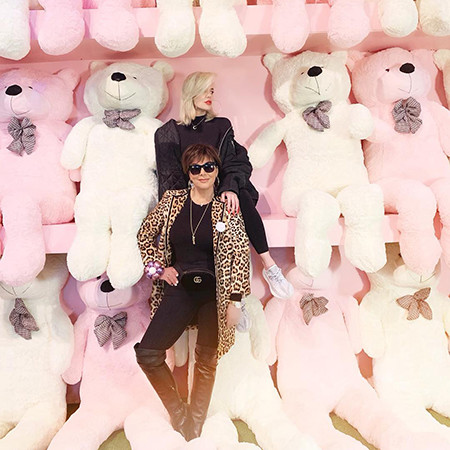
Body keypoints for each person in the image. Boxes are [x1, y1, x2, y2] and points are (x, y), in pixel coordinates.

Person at [134, 143, 250, 441]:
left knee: (207, 359)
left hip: (215, 294)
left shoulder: (227, 207)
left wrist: (236, 300)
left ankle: (194, 425)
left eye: (209, 166)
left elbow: (240, 254)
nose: (202, 173)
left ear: (217, 170)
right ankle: (178, 414)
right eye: (195, 168)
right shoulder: (172, 201)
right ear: (188, 172)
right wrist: (159, 270)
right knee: (148, 353)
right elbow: (144, 236)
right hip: (180, 288)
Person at [154, 71, 293, 299]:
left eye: (211, 91)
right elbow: (170, 177)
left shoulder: (220, 125)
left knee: (240, 198)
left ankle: (269, 266)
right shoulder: (169, 132)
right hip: (193, 196)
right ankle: (223, 298)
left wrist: (229, 186)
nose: (210, 95)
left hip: (221, 190)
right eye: (204, 90)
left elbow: (234, 161)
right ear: (191, 93)